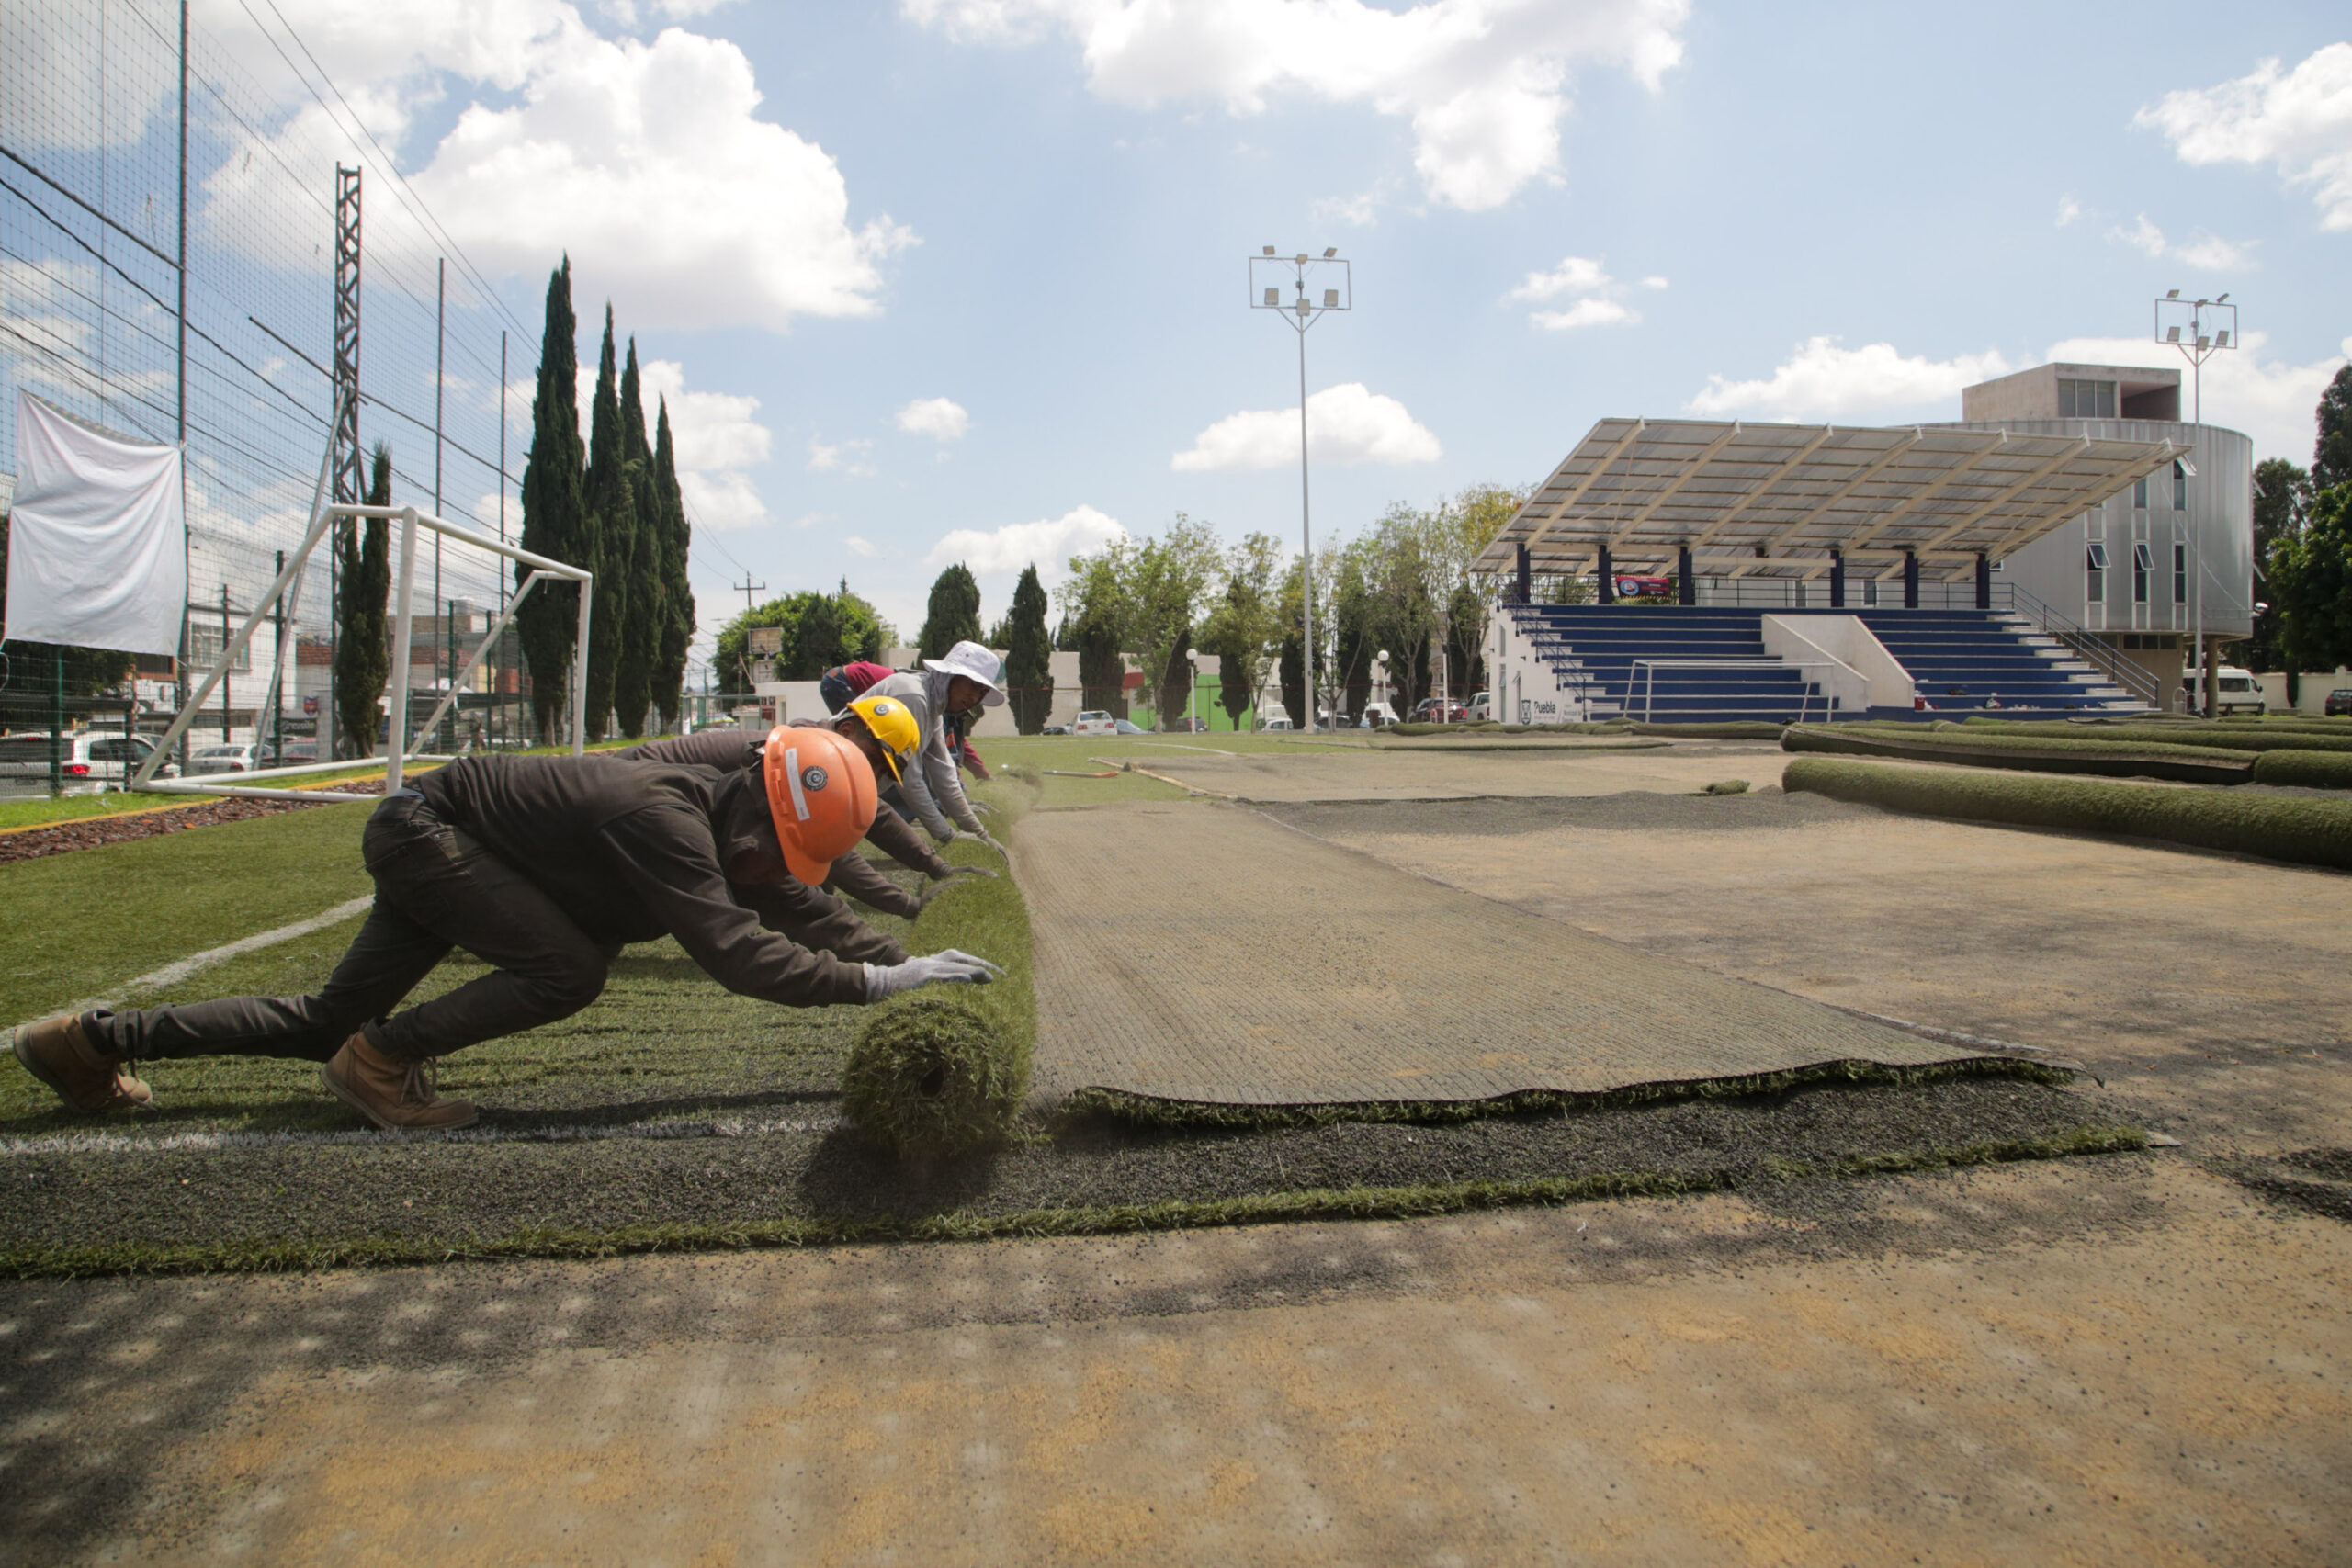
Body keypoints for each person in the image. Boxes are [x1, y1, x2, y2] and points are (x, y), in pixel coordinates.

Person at [9, 727, 1001, 1130]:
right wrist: (879, 986)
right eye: (779, 852)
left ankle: (91, 1041)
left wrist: (902, 954)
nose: (777, 876)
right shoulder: (658, 816)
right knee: (567, 969)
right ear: (762, 816)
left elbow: (781, 897)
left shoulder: (729, 802)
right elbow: (734, 950)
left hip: (457, 842)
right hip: (432, 838)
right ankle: (383, 1061)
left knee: (322, 1020)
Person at [621, 693, 998, 922]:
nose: (875, 775)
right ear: (848, 731)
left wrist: (936, 867)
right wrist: (909, 905)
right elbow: (834, 853)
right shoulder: (805, 758)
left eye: (885, 771)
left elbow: (874, 815)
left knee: (811, 890)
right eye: (877, 760)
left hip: (661, 800)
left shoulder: (828, 750)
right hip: (633, 789)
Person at [866, 640, 1008, 855]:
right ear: (949, 676)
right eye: (972, 686)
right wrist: (948, 836)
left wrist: (980, 834)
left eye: (982, 692)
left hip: (856, 788)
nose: (974, 698)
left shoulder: (934, 711)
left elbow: (945, 776)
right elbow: (909, 780)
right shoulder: (914, 698)